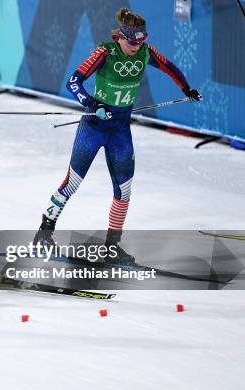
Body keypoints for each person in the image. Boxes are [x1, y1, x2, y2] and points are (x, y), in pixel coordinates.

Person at [34, 7, 202, 263]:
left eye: (142, 40)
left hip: (120, 129)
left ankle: (112, 246)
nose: (137, 46)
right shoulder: (105, 52)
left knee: (124, 191)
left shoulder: (145, 52)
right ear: (120, 37)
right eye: (133, 41)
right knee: (73, 183)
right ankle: (44, 233)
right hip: (94, 127)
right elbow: (73, 81)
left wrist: (187, 88)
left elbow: (169, 67)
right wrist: (92, 104)